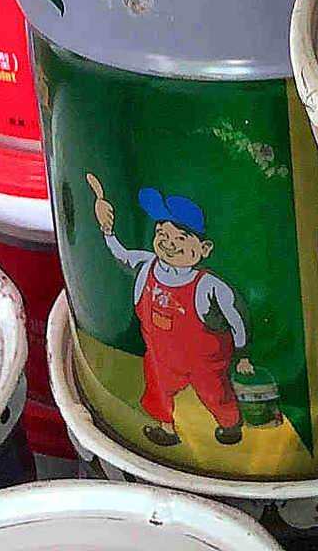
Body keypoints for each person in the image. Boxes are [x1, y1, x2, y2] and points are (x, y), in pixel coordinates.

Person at [88, 175, 250, 449]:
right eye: (162, 233)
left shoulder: (208, 285)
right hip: (162, 355)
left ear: (204, 248)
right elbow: (121, 254)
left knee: (215, 392)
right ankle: (166, 428)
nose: (169, 242)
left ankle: (230, 425)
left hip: (204, 360)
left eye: (180, 237)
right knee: (157, 387)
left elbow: (235, 319)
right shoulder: (147, 266)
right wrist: (107, 230)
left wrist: (242, 354)